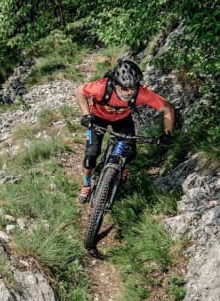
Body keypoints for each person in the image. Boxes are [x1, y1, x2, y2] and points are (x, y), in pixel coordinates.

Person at [75, 58, 175, 203]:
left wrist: (167, 133)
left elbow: (167, 108)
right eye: (125, 88)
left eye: (133, 88)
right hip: (98, 119)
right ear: (116, 84)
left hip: (122, 121)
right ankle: (86, 185)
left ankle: (122, 168)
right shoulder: (101, 88)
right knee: (91, 156)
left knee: (130, 153)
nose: (129, 92)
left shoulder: (141, 94)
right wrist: (86, 115)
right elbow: (80, 91)